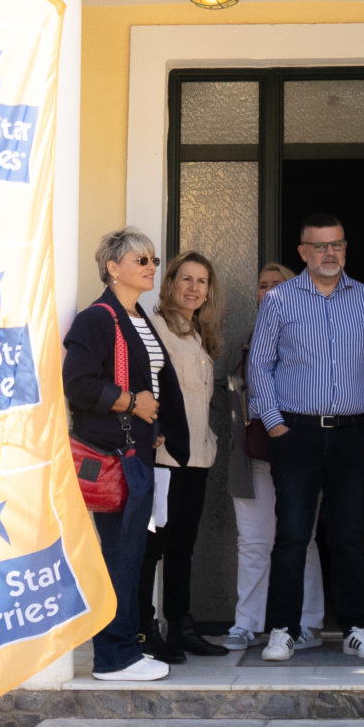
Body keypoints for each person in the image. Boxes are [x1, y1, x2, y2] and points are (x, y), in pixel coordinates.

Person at [248, 213, 364, 663]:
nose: (328, 253)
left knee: (350, 534)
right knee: (292, 534)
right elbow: (260, 366)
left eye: (336, 244)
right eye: (319, 246)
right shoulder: (279, 301)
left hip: (353, 433)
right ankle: (282, 629)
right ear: (302, 252)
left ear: (345, 248)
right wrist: (275, 423)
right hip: (295, 431)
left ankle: (356, 629)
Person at [62, 228, 190, 682]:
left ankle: (124, 649)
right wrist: (132, 404)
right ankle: (113, 657)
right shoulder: (99, 319)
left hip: (137, 453)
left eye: (153, 259)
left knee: (131, 554)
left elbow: (155, 383)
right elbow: (77, 384)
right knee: (120, 555)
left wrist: (156, 428)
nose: (151, 267)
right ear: (112, 267)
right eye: (141, 260)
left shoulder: (136, 317)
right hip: (114, 455)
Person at [224, 262, 326, 650]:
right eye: (262, 285)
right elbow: (228, 393)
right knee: (251, 541)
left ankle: (308, 624)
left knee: (302, 538)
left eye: (276, 285)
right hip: (253, 456)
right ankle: (246, 624)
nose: (267, 291)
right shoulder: (243, 340)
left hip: (300, 455)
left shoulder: (316, 336)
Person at [141, 251, 230, 660]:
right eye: (187, 279)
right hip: (164, 459)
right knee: (153, 548)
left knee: (183, 546)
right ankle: (145, 629)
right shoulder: (153, 327)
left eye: (202, 282)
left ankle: (181, 627)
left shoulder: (199, 335)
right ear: (171, 282)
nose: (194, 288)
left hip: (197, 457)